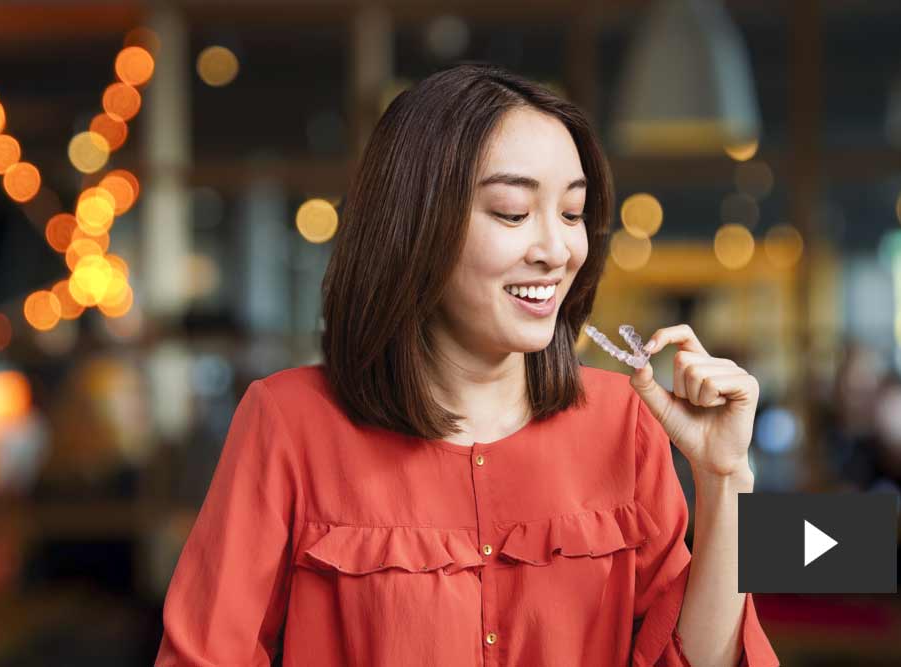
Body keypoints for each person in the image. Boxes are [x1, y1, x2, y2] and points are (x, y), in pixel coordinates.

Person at [154, 62, 779, 667]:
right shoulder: (288, 423)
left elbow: (696, 659)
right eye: (512, 212)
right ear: (416, 224)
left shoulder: (624, 420)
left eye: (571, 213)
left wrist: (726, 479)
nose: (557, 250)